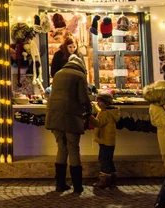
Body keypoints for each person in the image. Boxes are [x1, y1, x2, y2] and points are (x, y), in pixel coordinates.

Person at [45, 54, 91, 193]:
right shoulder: (79, 75)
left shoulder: (58, 73)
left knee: (61, 147)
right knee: (73, 148)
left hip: (54, 115)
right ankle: (77, 186)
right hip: (71, 116)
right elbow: (83, 98)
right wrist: (89, 109)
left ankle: (60, 184)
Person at [144, 64, 165, 208]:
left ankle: (161, 200)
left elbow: (153, 120)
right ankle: (161, 200)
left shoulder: (155, 98)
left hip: (163, 135)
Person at [89, 93, 120, 189]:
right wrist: (95, 107)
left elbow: (98, 123)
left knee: (103, 160)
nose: (98, 103)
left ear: (105, 103)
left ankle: (104, 180)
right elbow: (102, 115)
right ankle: (113, 178)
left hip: (104, 140)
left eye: (99, 101)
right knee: (109, 159)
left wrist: (90, 117)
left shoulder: (105, 113)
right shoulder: (111, 111)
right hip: (109, 140)